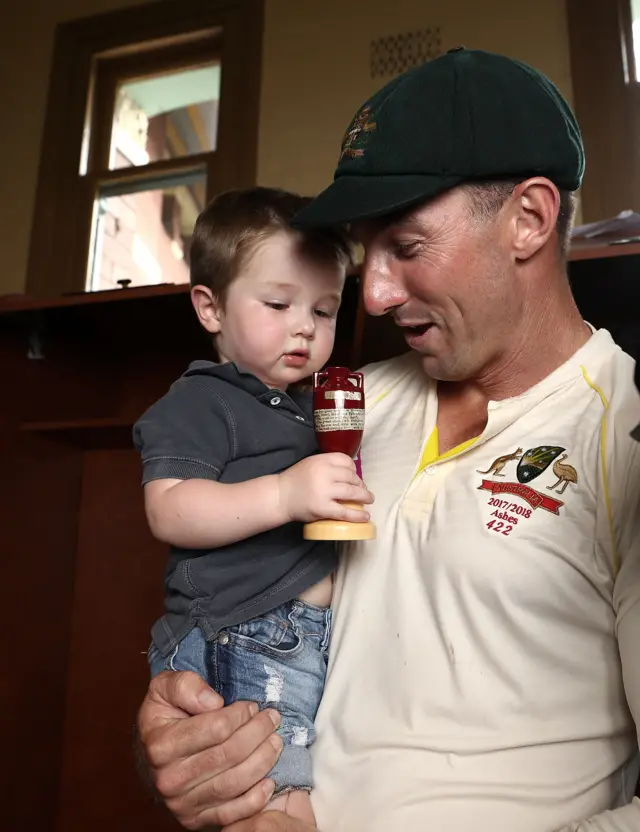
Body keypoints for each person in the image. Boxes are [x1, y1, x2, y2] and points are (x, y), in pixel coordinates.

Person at [136, 49, 640, 832]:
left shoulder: (624, 432)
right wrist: (184, 741)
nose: (371, 294)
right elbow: (228, 624)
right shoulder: (338, 403)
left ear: (530, 220)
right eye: (366, 255)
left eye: (406, 248)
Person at [132, 186, 373, 824]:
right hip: (246, 628)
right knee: (269, 801)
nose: (305, 327)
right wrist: (285, 494)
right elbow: (171, 508)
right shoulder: (202, 400)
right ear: (210, 308)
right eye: (278, 303)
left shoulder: (304, 404)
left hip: (298, 635)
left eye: (325, 312)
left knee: (297, 796)